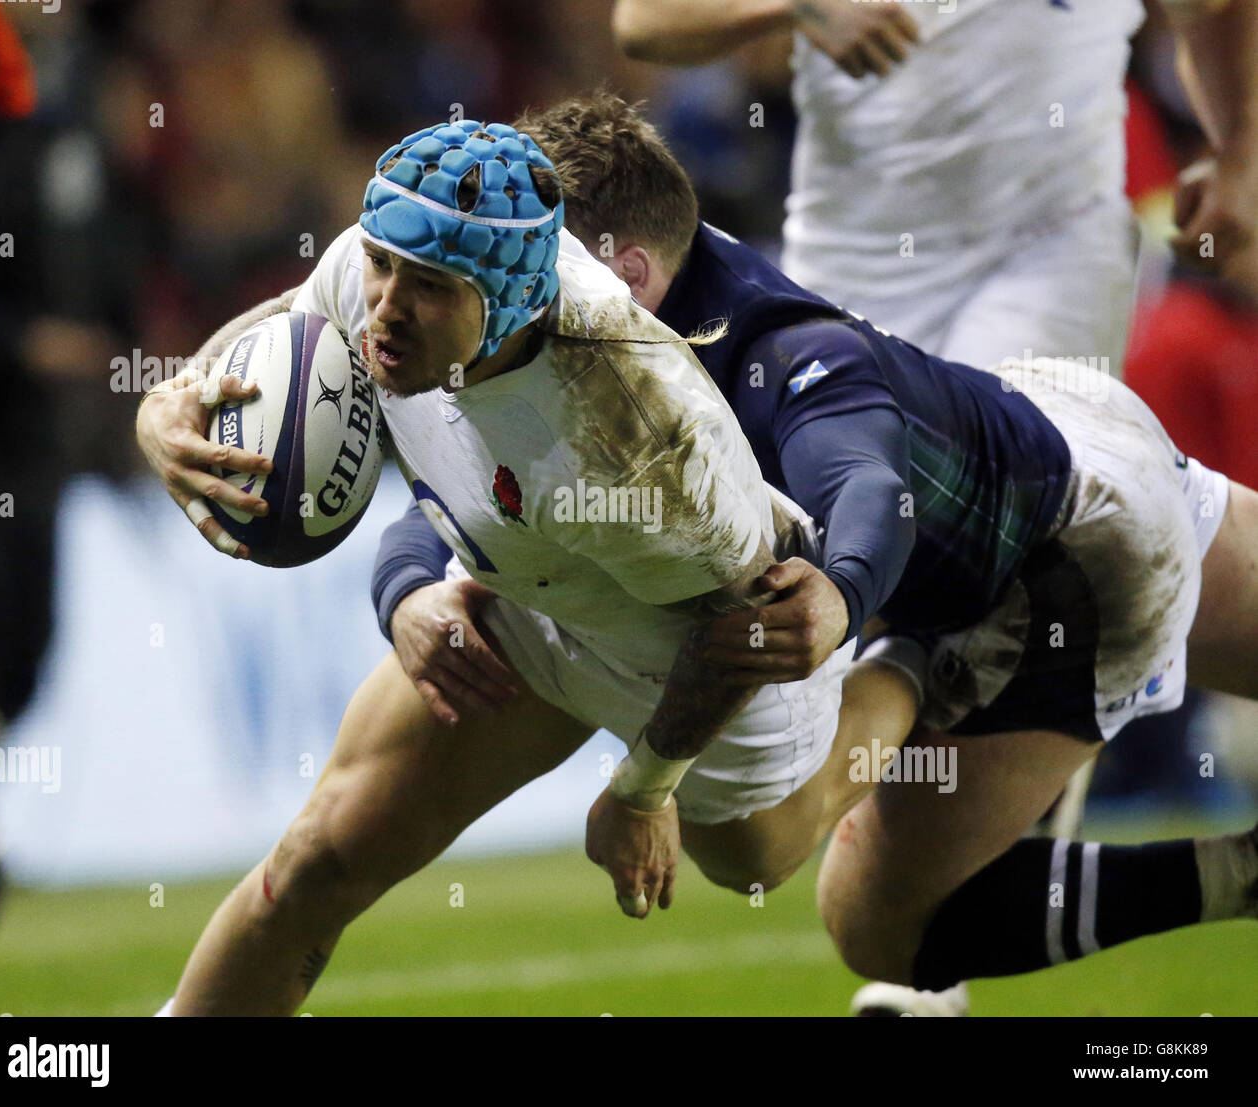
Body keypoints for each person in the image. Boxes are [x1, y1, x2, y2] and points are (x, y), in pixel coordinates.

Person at [374, 93, 1258, 1011]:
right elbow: (478, 472)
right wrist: (405, 584)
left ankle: (1239, 872)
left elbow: (869, 485)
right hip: (1046, 424)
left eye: (536, 261)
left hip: (1070, 554)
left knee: (879, 927)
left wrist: (841, 592)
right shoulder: (616, 318)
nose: (514, 284)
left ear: (624, 270)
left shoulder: (769, 350)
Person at [135, 115, 921, 1015]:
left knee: (754, 861)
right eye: (382, 264)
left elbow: (743, 623)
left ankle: (913, 666)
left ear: (507, 300)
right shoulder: (383, 262)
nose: (384, 307)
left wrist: (643, 787)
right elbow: (287, 326)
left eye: (429, 287)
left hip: (701, 654)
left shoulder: (636, 432)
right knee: (320, 854)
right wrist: (172, 398)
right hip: (530, 600)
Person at [612, 0, 1258, 1014]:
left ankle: (945, 929)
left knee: (1001, 560)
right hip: (848, 273)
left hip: (1048, 253)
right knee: (944, 597)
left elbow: (1211, 6)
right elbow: (645, 21)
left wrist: (1241, 149)